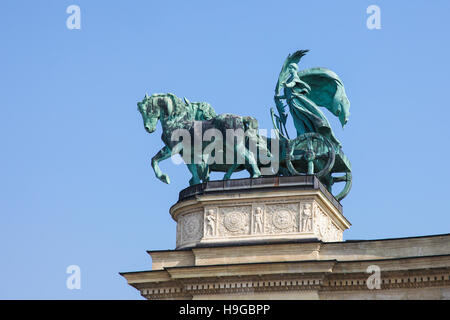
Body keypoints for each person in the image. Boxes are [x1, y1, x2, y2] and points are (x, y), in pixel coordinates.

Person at [276, 63, 341, 147]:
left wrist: (286, 85)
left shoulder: (294, 78)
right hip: (292, 104)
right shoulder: (289, 80)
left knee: (305, 118)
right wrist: (278, 97)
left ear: (294, 69)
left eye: (291, 68)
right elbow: (287, 95)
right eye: (289, 68)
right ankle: (302, 136)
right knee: (298, 122)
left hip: (297, 102)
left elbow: (292, 84)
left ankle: (309, 134)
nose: (289, 70)